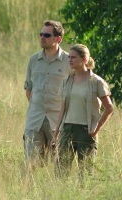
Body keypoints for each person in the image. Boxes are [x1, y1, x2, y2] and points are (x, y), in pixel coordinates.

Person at [53, 44, 114, 179]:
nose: (70, 60)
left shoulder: (96, 81)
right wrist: (56, 131)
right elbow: (62, 108)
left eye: (73, 57)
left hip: (85, 130)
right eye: (69, 57)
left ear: (84, 59)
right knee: (61, 171)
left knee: (85, 173)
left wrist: (96, 129)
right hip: (67, 128)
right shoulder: (67, 80)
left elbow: (109, 108)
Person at [23, 20, 70, 171]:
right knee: (31, 163)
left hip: (58, 120)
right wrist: (37, 107)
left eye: (47, 35)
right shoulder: (33, 60)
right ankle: (28, 193)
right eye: (41, 34)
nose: (42, 37)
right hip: (35, 119)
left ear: (58, 39)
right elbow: (29, 88)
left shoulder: (69, 61)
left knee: (59, 164)